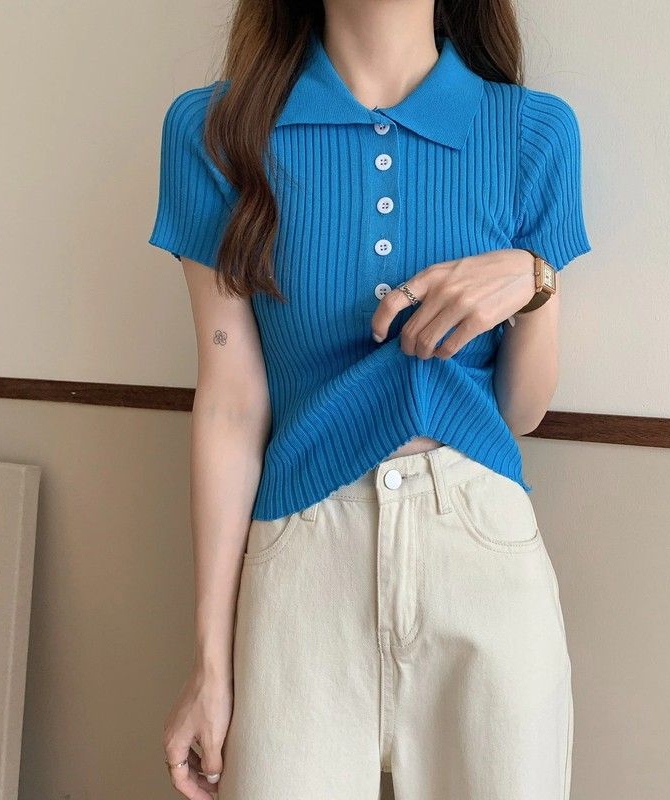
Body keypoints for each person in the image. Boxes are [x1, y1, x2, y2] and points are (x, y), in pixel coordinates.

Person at [150, 1, 591, 798]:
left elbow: (520, 412)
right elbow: (230, 404)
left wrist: (534, 281)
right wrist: (212, 664)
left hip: (481, 552)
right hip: (300, 560)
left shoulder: (533, 132)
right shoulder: (215, 131)